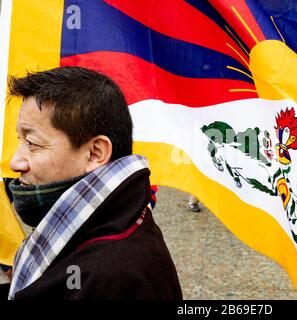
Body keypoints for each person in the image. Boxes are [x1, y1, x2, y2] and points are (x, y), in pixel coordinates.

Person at [5, 66, 182, 300]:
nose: (15, 162)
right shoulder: (117, 221)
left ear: (95, 153)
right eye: (20, 139)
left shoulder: (106, 276)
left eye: (32, 143)